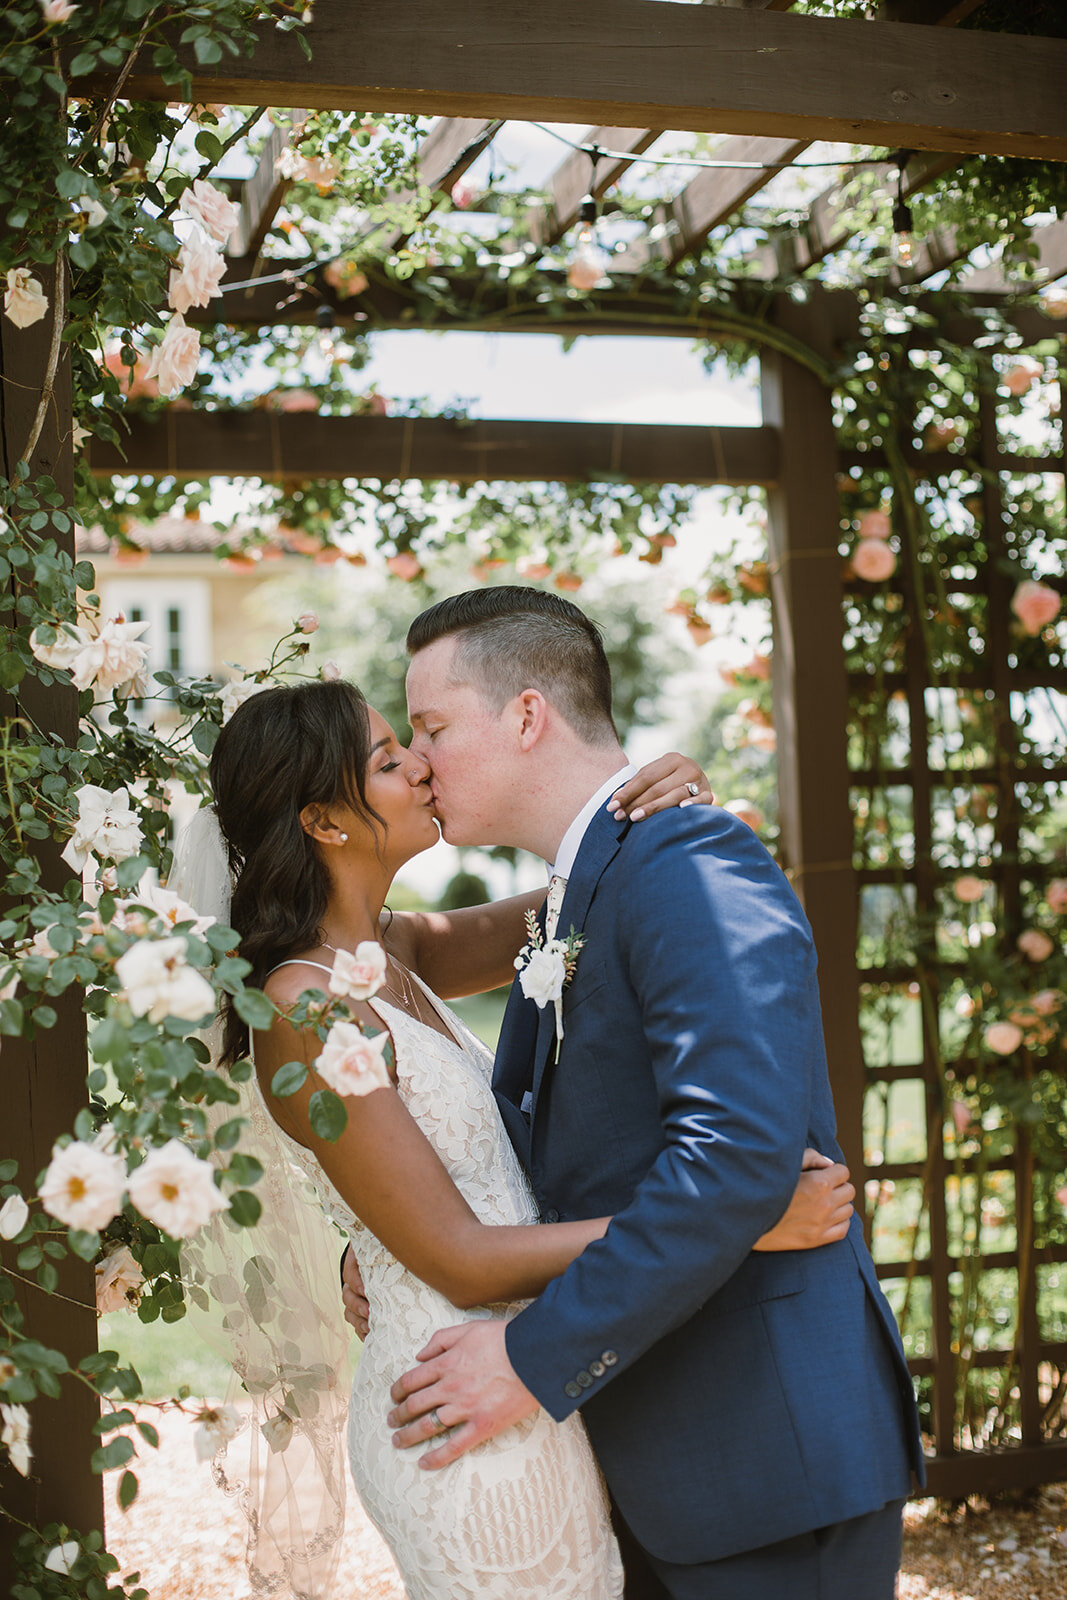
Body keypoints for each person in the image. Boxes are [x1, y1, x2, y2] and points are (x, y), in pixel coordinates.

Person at [202, 676, 857, 1600]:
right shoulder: (302, 1009)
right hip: (456, 1405)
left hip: (535, 1383)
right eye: (391, 759)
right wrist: (737, 1217)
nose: (421, 766)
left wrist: (664, 795)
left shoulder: (400, 952)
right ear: (324, 821)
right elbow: (462, 1257)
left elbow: (600, 886)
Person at [369, 587, 926, 1600]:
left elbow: (734, 1159)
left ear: (527, 715)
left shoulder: (689, 862)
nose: (419, 760)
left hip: (763, 1460)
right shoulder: (574, 893)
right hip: (646, 1454)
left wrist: (528, 1357)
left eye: (433, 727)